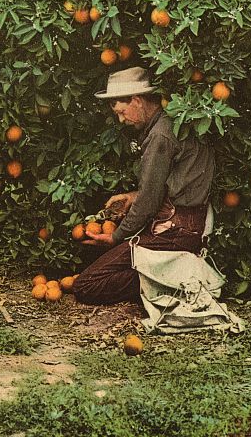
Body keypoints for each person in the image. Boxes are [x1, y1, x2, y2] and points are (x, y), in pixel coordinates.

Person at [72, 66, 215, 306]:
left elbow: (149, 201)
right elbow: (170, 185)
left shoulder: (161, 135)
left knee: (86, 286)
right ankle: (169, 276)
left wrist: (116, 236)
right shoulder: (170, 123)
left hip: (174, 233)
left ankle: (174, 281)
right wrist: (131, 196)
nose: (121, 119)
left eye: (122, 111)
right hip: (186, 227)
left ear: (137, 101)